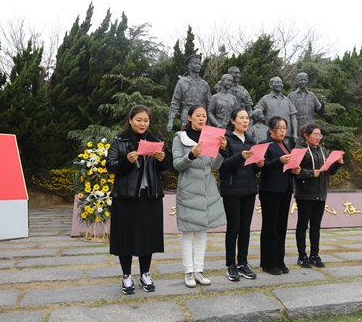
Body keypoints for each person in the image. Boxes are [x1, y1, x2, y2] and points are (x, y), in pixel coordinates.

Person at [106, 105, 170, 294]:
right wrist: (127, 161)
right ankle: (127, 276)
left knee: (147, 236)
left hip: (150, 196)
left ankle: (145, 274)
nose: (143, 123)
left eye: (146, 120)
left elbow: (165, 170)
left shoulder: (155, 141)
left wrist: (162, 160)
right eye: (139, 120)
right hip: (125, 197)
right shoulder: (120, 140)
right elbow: (110, 166)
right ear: (130, 120)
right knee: (125, 237)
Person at [172, 104, 228, 287]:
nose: (202, 118)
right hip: (188, 190)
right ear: (189, 117)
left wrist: (222, 151)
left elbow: (214, 166)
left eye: (204, 116)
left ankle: (199, 270)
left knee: (202, 233)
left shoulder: (210, 137)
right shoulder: (180, 138)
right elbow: (177, 165)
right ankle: (188, 272)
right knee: (188, 233)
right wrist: (191, 155)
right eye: (198, 115)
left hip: (207, 190)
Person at [220, 108, 264, 282]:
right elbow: (222, 166)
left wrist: (258, 165)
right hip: (232, 190)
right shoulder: (225, 139)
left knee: (245, 228)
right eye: (242, 118)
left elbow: (252, 169)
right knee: (233, 228)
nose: (245, 121)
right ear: (233, 120)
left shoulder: (251, 141)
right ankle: (231, 265)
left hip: (249, 190)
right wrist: (240, 156)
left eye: (247, 118)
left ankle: (243, 263)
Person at [293, 123, 344, 269]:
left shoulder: (323, 150)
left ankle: (314, 255)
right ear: (306, 136)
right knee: (302, 225)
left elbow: (329, 171)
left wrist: (337, 164)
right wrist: (310, 173)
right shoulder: (300, 150)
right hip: (305, 194)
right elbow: (294, 171)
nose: (318, 137)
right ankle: (302, 256)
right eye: (315, 134)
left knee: (316, 226)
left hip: (320, 193)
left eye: (319, 135)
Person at [258, 116, 300, 275]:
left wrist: (295, 170)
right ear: (270, 129)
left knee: (281, 226)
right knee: (270, 227)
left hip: (285, 189)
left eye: (284, 128)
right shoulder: (264, 145)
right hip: (270, 190)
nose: (282, 131)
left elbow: (287, 166)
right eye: (279, 128)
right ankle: (269, 263)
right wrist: (280, 161)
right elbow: (262, 167)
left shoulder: (286, 145)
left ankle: (279, 260)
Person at [167, 54, 211, 132]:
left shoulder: (205, 84)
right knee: (185, 137)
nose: (198, 65)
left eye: (199, 64)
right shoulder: (182, 82)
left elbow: (209, 104)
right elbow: (175, 102)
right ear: (189, 66)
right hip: (186, 116)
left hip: (201, 117)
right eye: (195, 63)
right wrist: (171, 121)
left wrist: (210, 122)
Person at [254, 76, 298, 148]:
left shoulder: (287, 100)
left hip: (286, 134)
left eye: (281, 83)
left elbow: (293, 117)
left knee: (285, 152)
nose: (280, 84)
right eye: (277, 82)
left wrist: (295, 133)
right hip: (271, 133)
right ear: (271, 85)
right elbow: (257, 112)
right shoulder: (265, 99)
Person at [287, 72, 327, 141]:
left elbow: (320, 113)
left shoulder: (312, 96)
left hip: (311, 131)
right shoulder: (291, 96)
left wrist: (323, 105)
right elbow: (287, 115)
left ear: (307, 80)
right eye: (301, 80)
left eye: (305, 80)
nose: (303, 82)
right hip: (297, 132)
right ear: (297, 81)